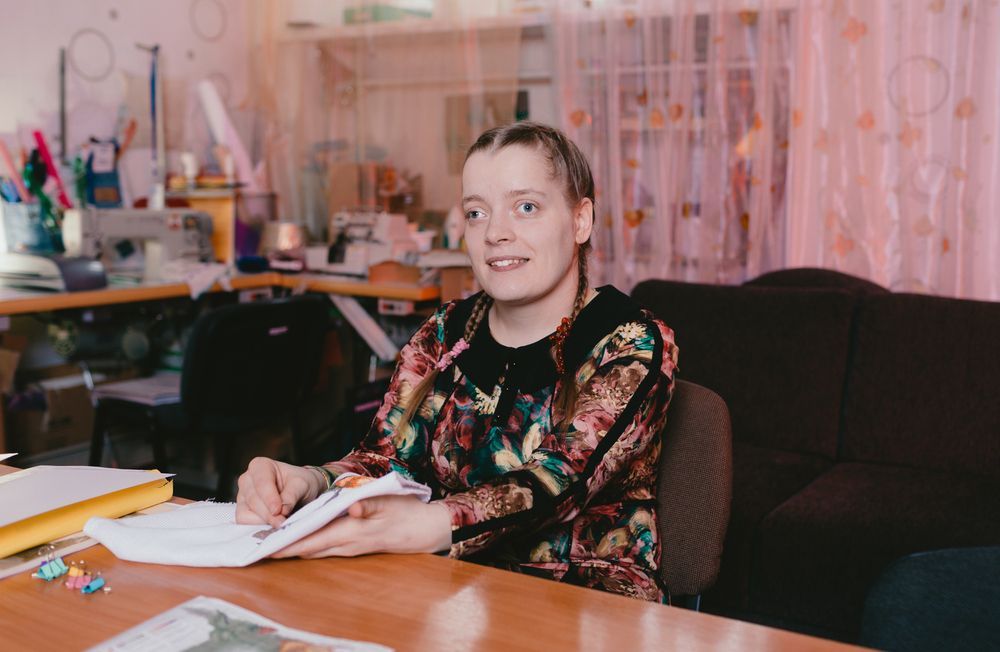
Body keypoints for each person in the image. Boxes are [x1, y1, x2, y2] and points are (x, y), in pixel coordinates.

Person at [236, 121, 679, 601]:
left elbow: (561, 482)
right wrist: (311, 481)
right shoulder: (445, 332)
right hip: (449, 590)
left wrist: (430, 523)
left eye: (525, 207)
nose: (495, 233)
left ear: (580, 221)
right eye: (475, 212)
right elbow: (386, 459)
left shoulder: (632, 341)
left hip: (587, 600)